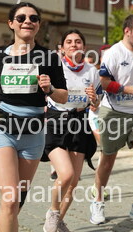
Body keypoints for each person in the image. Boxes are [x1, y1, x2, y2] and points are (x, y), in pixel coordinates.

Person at [0, 2, 68, 232]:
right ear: (11, 23)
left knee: (17, 201)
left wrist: (49, 90)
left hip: (33, 133)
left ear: (38, 25)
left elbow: (63, 96)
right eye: (21, 18)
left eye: (33, 18)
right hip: (2, 129)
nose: (28, 21)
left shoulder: (49, 58)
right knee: (10, 199)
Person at [90, 14, 133, 225]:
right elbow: (103, 83)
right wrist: (130, 89)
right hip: (113, 112)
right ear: (127, 31)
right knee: (108, 160)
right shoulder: (114, 53)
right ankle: (97, 201)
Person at [41, 29, 101, 232]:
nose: (74, 44)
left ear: (84, 47)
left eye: (78, 41)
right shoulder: (54, 67)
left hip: (79, 122)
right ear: (62, 48)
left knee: (73, 181)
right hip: (56, 121)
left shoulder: (91, 70)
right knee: (65, 175)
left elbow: (97, 103)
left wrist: (94, 99)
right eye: (69, 42)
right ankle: (52, 213)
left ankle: (58, 221)